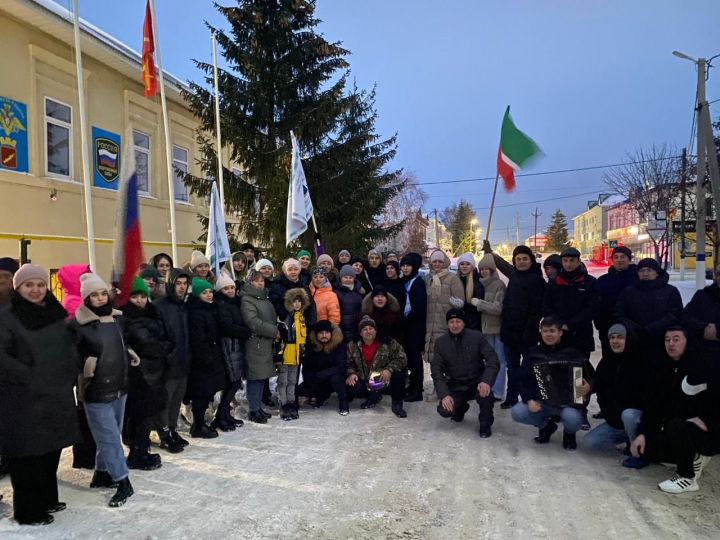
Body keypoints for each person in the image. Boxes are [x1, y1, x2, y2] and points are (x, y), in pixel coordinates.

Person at [0, 264, 80, 525]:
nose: (35, 290)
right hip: (23, 398)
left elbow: (69, 346)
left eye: (40, 284)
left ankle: (47, 498)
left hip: (56, 394)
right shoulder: (7, 317)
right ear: (18, 287)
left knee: (50, 449)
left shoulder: (55, 313)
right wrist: (28, 375)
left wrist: (72, 369)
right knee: (27, 454)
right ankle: (27, 510)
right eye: (29, 285)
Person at [71, 272, 135, 507]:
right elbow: (70, 356)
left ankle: (101, 472)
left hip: (120, 385)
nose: (99, 298)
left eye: (102, 293)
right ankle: (123, 480)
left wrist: (128, 354)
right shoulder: (78, 324)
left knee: (111, 435)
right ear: (86, 299)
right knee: (108, 437)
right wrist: (85, 365)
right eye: (94, 295)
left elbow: (119, 343)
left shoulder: (117, 319)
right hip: (95, 389)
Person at [630, 327, 718, 493]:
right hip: (680, 432)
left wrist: (708, 420)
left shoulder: (704, 365)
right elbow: (654, 407)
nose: (671, 343)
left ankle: (687, 477)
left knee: (676, 425)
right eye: (667, 339)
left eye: (676, 339)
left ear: (687, 341)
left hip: (706, 432)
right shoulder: (663, 369)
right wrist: (643, 434)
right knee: (645, 450)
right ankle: (691, 457)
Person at [511, 317, 592, 451]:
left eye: (552, 331)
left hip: (568, 404)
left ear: (560, 332)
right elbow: (521, 379)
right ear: (540, 332)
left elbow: (592, 376)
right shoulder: (533, 353)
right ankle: (546, 427)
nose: (548, 334)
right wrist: (529, 399)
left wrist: (589, 386)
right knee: (517, 412)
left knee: (572, 418)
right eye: (545, 331)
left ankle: (569, 433)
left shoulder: (572, 353)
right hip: (542, 403)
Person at [482, 242, 546, 410]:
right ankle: (511, 397)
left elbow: (536, 310)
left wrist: (528, 331)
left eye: (525, 258)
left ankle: (529, 397)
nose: (522, 262)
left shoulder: (537, 280)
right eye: (518, 259)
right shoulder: (515, 274)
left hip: (527, 334)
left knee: (529, 368)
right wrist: (490, 253)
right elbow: (502, 265)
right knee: (512, 368)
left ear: (531, 260)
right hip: (510, 333)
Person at [121, 277, 173, 470]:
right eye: (136, 296)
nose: (140, 300)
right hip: (141, 373)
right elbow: (146, 343)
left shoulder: (152, 313)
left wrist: (164, 346)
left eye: (143, 296)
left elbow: (166, 337)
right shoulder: (128, 317)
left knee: (147, 414)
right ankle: (138, 453)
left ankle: (141, 450)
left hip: (156, 371)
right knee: (141, 416)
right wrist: (163, 347)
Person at [582, 324, 644, 467]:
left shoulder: (640, 361)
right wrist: (589, 388)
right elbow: (597, 382)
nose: (615, 341)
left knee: (628, 415)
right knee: (590, 443)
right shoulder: (607, 361)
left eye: (620, 337)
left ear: (628, 339)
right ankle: (627, 438)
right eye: (612, 337)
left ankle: (639, 453)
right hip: (615, 423)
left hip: (635, 420)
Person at [432, 308, 499, 438]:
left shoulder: (477, 337)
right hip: (456, 385)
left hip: (477, 382)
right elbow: (437, 370)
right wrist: (444, 394)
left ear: (463, 323)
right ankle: (460, 408)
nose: (455, 325)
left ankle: (485, 425)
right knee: (444, 410)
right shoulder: (440, 343)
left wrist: (486, 381)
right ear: (447, 324)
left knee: (486, 397)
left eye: (458, 321)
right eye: (451, 322)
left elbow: (493, 360)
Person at [152, 269, 191, 453]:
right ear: (170, 284)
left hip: (183, 361)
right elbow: (158, 335)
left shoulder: (183, 305)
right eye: (178, 283)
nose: (182, 287)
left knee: (177, 399)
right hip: (168, 363)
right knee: (165, 401)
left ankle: (173, 430)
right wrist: (167, 354)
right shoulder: (160, 306)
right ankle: (164, 434)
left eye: (184, 283)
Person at [615, 257, 682, 362]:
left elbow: (675, 313)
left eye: (649, 270)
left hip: (662, 342)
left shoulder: (670, 291)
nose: (645, 273)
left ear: (657, 273)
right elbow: (619, 313)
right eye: (642, 270)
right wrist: (633, 327)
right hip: (634, 341)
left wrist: (653, 328)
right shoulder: (628, 291)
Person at [185, 278, 226, 439]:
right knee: (200, 394)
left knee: (207, 392)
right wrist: (206, 358)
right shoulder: (195, 312)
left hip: (211, 354)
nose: (209, 295)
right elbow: (198, 339)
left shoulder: (210, 308)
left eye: (210, 292)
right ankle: (198, 425)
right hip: (201, 359)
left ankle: (201, 423)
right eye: (204, 293)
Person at [543, 247, 600, 360]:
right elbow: (546, 306)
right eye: (565, 260)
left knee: (578, 373)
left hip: (581, 336)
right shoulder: (554, 283)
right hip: (558, 335)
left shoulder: (590, 282)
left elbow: (593, 308)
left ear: (578, 261)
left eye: (572, 260)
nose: (568, 264)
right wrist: (558, 324)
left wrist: (570, 324)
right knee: (558, 371)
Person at [346, 316, 408, 417]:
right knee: (353, 385)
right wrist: (351, 373)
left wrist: (389, 369)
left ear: (375, 330)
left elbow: (402, 358)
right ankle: (373, 397)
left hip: (384, 377)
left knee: (398, 375)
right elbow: (350, 363)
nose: (368, 331)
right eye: (365, 329)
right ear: (360, 333)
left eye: (371, 329)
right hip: (365, 377)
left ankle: (397, 404)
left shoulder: (388, 342)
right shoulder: (352, 345)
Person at [424, 249, 465, 396]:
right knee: (433, 360)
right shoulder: (427, 279)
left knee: (445, 359)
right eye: (434, 261)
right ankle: (438, 387)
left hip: (445, 324)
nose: (437, 264)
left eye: (440, 261)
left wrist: (454, 303)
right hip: (430, 324)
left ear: (445, 262)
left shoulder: (452, 278)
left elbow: (460, 301)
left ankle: (448, 388)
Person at [240, 270, 278, 424]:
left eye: (262, 280)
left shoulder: (263, 299)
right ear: (250, 282)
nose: (260, 283)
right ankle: (254, 410)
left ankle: (258, 408)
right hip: (255, 344)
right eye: (256, 281)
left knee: (262, 377)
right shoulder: (247, 300)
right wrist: (274, 331)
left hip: (265, 344)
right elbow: (253, 321)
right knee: (255, 378)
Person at [215, 273, 250, 431]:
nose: (229, 291)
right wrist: (246, 331)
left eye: (232, 288)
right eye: (226, 288)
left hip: (236, 346)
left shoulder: (235, 303)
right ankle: (221, 416)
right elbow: (227, 327)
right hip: (229, 345)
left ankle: (225, 414)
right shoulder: (221, 304)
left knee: (234, 382)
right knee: (233, 382)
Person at [473, 253, 507, 402]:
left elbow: (498, 308)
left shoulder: (498, 284)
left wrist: (480, 304)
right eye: (482, 269)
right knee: (488, 361)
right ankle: (488, 388)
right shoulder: (482, 283)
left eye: (487, 269)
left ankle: (498, 391)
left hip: (497, 329)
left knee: (499, 360)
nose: (484, 271)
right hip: (485, 329)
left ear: (493, 270)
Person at [594, 246, 637, 357]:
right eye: (616, 257)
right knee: (609, 360)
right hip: (607, 329)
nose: (619, 260)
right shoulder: (603, 280)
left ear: (629, 259)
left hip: (633, 329)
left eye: (623, 257)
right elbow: (597, 304)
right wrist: (600, 324)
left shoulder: (637, 279)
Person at [303, 320, 349, 415]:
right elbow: (307, 365)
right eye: (321, 333)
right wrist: (310, 380)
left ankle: (344, 403)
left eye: (327, 332)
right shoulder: (312, 345)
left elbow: (341, 366)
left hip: (336, 378)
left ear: (331, 333)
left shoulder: (339, 344)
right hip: (319, 378)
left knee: (336, 378)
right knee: (301, 389)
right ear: (316, 335)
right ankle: (320, 397)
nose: (324, 335)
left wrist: (323, 374)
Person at [277, 288, 310, 420]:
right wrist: (278, 352)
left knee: (292, 381)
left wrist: (302, 349)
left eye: (299, 302)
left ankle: (291, 404)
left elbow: (302, 337)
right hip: (285, 353)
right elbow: (278, 337)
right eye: (294, 301)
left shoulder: (301, 317)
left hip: (296, 354)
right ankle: (283, 405)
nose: (297, 304)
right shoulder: (284, 317)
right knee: (283, 381)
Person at [399, 253, 427, 402]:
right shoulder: (404, 281)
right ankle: (412, 385)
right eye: (403, 265)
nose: (405, 268)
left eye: (408, 265)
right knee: (409, 358)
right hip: (406, 326)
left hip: (415, 327)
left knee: (415, 359)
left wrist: (407, 319)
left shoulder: (418, 282)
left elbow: (420, 308)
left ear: (414, 266)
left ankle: (418, 390)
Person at [683, 261, 720, 363]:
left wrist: (717, 332)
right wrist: (702, 328)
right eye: (718, 274)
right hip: (703, 361)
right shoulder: (703, 295)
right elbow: (685, 317)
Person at [270, 258, 317, 325]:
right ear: (285, 271)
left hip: (303, 326)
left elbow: (311, 306)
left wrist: (311, 323)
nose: (293, 272)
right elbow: (274, 309)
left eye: (296, 269)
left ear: (299, 270)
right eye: (290, 269)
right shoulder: (277, 287)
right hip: (285, 326)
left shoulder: (304, 287)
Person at [456, 252, 484, 331]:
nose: (464, 266)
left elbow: (477, 306)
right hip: (458, 322)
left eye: (467, 264)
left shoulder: (477, 281)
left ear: (472, 266)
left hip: (473, 323)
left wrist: (463, 305)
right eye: (462, 264)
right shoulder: (456, 279)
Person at [335, 265, 364, 343]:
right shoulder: (336, 292)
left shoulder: (358, 291)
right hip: (343, 327)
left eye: (350, 277)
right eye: (345, 277)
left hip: (356, 326)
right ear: (341, 278)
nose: (348, 279)